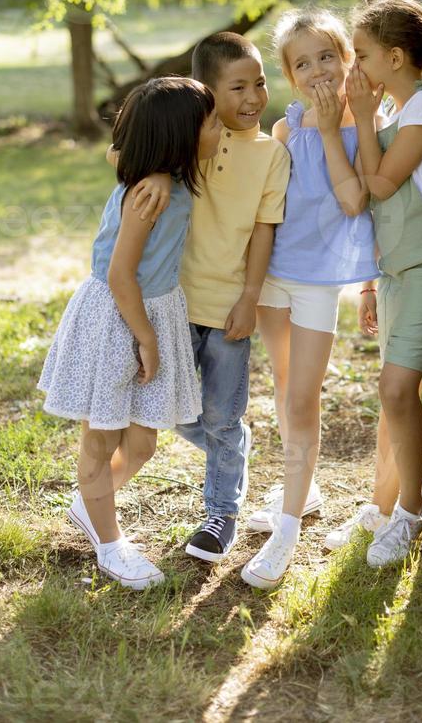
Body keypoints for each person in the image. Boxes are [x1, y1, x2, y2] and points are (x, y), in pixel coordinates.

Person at [39, 77, 222, 589]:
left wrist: (161, 169)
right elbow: (121, 276)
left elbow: (117, 154)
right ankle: (110, 544)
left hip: (150, 311)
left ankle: (90, 503)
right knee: (100, 441)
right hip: (119, 318)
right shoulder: (150, 196)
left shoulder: (167, 180)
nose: (219, 127)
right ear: (179, 137)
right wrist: (146, 338)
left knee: (141, 445)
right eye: (210, 121)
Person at [128, 34, 290, 562]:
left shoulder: (270, 155)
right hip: (172, 303)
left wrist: (250, 297)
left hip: (228, 309)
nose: (253, 97)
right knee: (171, 409)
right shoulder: (192, 140)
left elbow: (264, 231)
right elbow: (123, 149)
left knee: (222, 414)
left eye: (260, 83)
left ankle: (221, 513)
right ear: (207, 93)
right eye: (238, 86)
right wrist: (153, 167)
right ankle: (232, 449)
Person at [240, 8, 380, 589]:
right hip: (275, 275)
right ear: (290, 76)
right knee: (281, 385)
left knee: (303, 401)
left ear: (348, 58)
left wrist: (330, 131)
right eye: (303, 63)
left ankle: (289, 529)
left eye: (328, 56)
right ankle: (305, 488)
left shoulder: (368, 123)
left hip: (320, 283)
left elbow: (355, 204)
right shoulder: (285, 127)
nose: (318, 70)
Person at [345, 0, 422, 567]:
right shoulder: (393, 111)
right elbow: (373, 208)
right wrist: (367, 283)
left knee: (395, 391)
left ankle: (411, 512)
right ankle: (381, 506)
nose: (352, 67)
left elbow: (379, 186)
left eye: (359, 54)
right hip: (394, 272)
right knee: (392, 397)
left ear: (392, 56)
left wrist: (361, 118)